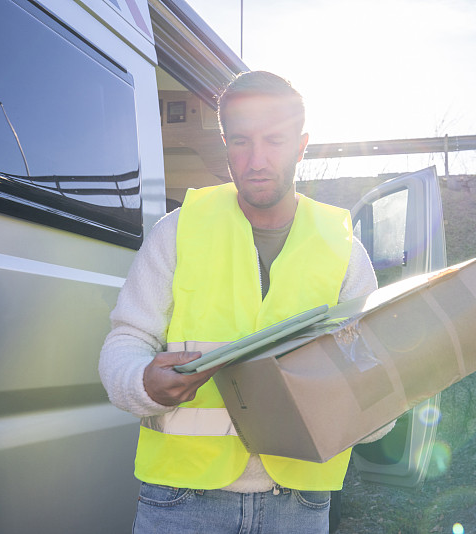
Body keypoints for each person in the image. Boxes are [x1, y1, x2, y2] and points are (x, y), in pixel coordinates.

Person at [99, 70, 390, 533]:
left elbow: (377, 376)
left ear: (301, 145)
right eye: (240, 142)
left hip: (299, 506)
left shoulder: (344, 251)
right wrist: (142, 383)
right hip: (182, 502)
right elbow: (126, 341)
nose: (256, 160)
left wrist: (375, 409)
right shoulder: (177, 231)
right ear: (225, 144)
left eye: (274, 140)